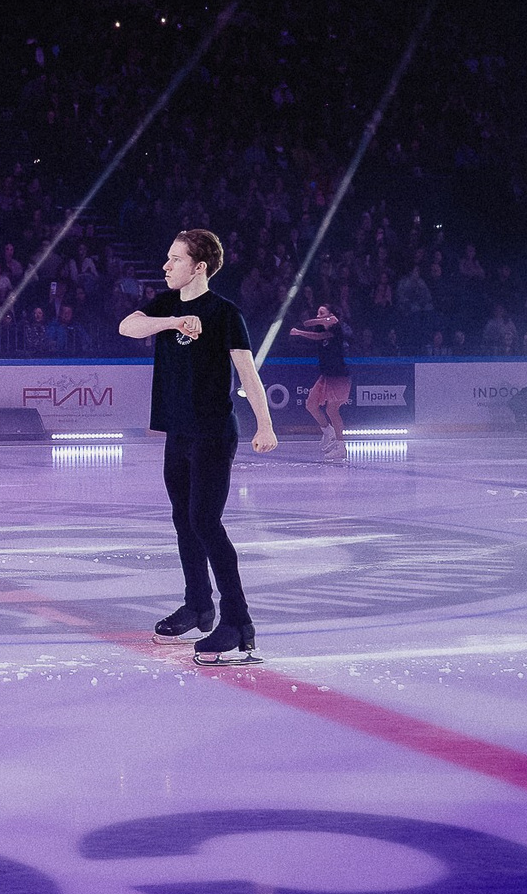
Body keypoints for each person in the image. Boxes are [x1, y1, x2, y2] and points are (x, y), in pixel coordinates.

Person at [119, 229, 277, 665]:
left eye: (175, 259)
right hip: (178, 431)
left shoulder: (225, 313)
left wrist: (265, 424)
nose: (166, 266)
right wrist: (171, 323)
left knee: (205, 521)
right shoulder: (167, 304)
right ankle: (198, 605)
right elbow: (127, 326)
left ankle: (238, 623)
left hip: (212, 432)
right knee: (183, 521)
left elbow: (247, 373)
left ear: (199, 266)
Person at [287, 304, 352, 463]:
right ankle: (327, 431)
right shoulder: (320, 328)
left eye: (322, 312)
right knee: (310, 404)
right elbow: (309, 324)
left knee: (332, 410)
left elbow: (314, 333)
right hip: (326, 376)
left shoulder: (335, 324)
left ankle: (340, 446)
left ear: (330, 314)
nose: (318, 315)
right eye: (317, 312)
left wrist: (299, 332)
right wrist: (314, 322)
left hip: (338, 375)